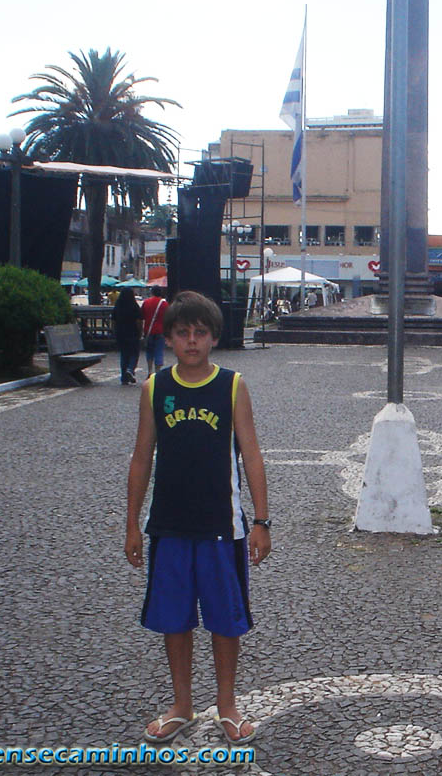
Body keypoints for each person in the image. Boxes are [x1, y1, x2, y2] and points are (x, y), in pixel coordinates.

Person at [125, 291, 272, 747]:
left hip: (220, 526)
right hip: (168, 525)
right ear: (168, 338)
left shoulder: (232, 385)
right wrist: (131, 522)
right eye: (183, 332)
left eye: (200, 333)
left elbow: (251, 455)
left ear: (213, 338)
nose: (192, 341)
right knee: (175, 619)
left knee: (225, 620)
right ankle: (182, 704)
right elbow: (141, 459)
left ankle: (227, 706)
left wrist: (262, 521)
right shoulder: (155, 388)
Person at [113, 288, 142, 385]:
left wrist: (114, 331)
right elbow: (139, 321)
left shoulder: (118, 306)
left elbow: (113, 320)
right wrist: (140, 332)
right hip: (133, 332)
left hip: (120, 333)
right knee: (134, 353)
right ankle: (130, 369)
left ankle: (123, 377)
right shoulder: (134, 306)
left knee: (124, 354)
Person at [141, 286, 168, 379]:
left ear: (152, 292)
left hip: (148, 330)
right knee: (159, 351)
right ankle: (157, 372)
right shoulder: (164, 303)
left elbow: (142, 316)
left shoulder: (146, 302)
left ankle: (149, 371)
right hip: (161, 331)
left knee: (149, 351)